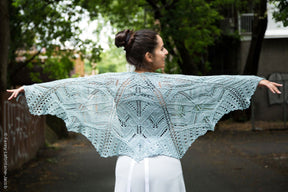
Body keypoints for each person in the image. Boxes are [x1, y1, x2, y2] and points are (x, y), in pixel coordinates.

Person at [7, 29, 282, 192]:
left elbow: (72, 86)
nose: (166, 53)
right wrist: (253, 81)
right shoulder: (173, 83)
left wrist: (31, 89)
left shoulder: (112, 82)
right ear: (148, 56)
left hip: (128, 166)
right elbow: (211, 84)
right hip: (166, 163)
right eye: (162, 49)